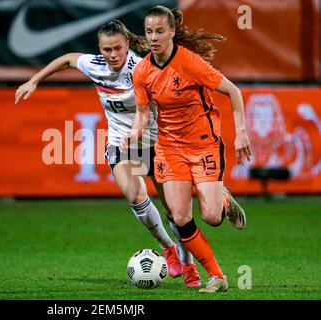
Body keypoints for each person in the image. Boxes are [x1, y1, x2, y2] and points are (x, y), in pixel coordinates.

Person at [15, 20, 201, 287]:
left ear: (127, 45)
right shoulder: (96, 65)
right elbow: (68, 59)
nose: (112, 55)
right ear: (99, 50)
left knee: (176, 211)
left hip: (159, 145)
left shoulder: (143, 68)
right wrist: (34, 80)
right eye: (106, 50)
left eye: (117, 48)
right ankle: (168, 248)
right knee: (135, 195)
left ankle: (189, 266)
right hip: (122, 145)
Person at [120, 6, 251, 293]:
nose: (153, 37)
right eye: (149, 31)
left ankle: (223, 200)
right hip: (169, 147)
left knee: (212, 217)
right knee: (179, 217)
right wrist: (133, 135)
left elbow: (234, 91)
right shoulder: (142, 71)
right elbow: (143, 113)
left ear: (172, 32)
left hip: (204, 143)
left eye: (160, 31)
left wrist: (241, 132)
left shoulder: (190, 63)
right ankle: (217, 276)